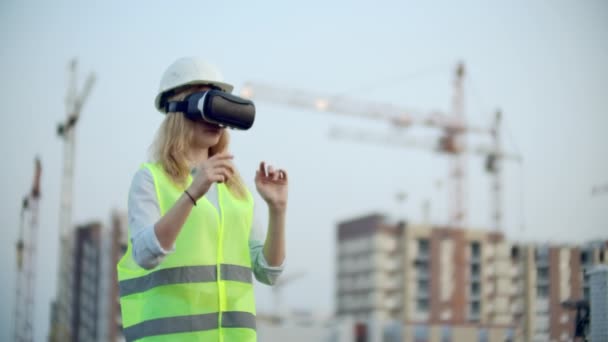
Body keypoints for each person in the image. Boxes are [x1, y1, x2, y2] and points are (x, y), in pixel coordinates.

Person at [117, 57, 288, 341]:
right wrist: (193, 192)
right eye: (203, 102)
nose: (215, 116)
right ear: (176, 110)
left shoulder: (235, 189)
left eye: (219, 102)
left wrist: (278, 210)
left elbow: (268, 272)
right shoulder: (150, 179)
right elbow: (146, 254)